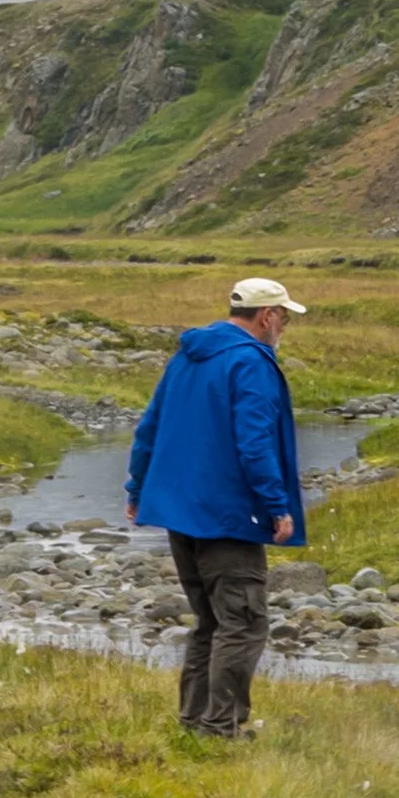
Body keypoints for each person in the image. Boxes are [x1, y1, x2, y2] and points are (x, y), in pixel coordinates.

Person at [126, 277, 308, 737]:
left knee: (210, 621)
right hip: (228, 516)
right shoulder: (251, 363)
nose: (283, 325)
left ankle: (195, 722)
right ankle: (218, 729)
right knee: (244, 623)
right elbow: (254, 441)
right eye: (283, 316)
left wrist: (137, 489)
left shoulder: (187, 356)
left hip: (179, 511)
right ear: (267, 316)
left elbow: (150, 426)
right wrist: (276, 506)